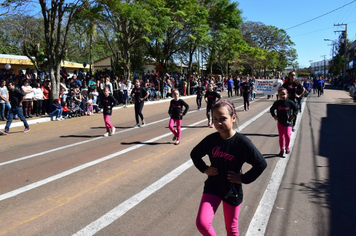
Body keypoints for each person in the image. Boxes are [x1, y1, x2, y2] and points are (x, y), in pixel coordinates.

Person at [190, 101, 267, 236]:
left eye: (223, 119)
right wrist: (204, 169)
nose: (218, 123)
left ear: (233, 118)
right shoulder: (211, 140)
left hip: (232, 190)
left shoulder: (242, 143)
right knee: (202, 223)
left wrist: (243, 178)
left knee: (231, 229)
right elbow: (195, 154)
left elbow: (261, 164)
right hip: (212, 187)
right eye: (215, 119)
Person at [270, 87, 298, 156]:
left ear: (287, 94)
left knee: (287, 135)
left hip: (288, 122)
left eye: (284, 94)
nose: (282, 96)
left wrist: (293, 115)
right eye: (280, 95)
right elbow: (272, 109)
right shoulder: (277, 103)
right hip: (280, 122)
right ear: (278, 95)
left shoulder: (290, 102)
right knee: (281, 136)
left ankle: (287, 147)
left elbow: (296, 109)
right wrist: (274, 116)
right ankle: (282, 150)